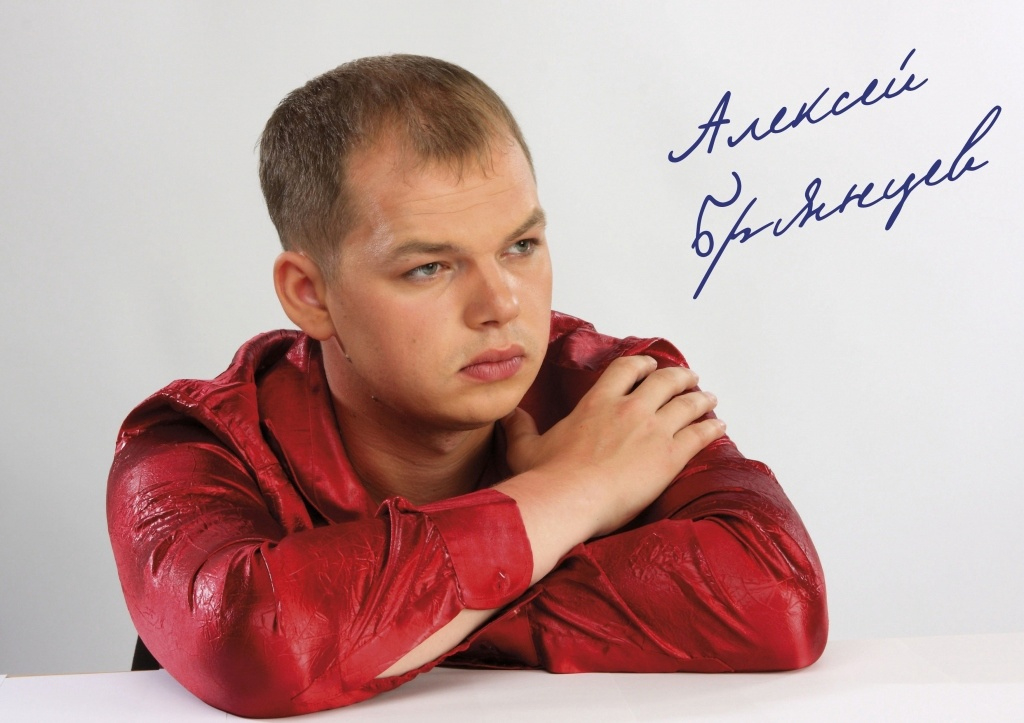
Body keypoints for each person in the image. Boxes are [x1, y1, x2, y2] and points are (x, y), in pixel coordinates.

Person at [107, 54, 827, 718]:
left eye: (521, 246)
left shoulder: (616, 395)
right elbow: (256, 643)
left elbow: (781, 601)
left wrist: (384, 625)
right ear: (310, 294)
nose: (501, 305)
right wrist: (572, 492)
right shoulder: (190, 445)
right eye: (430, 267)